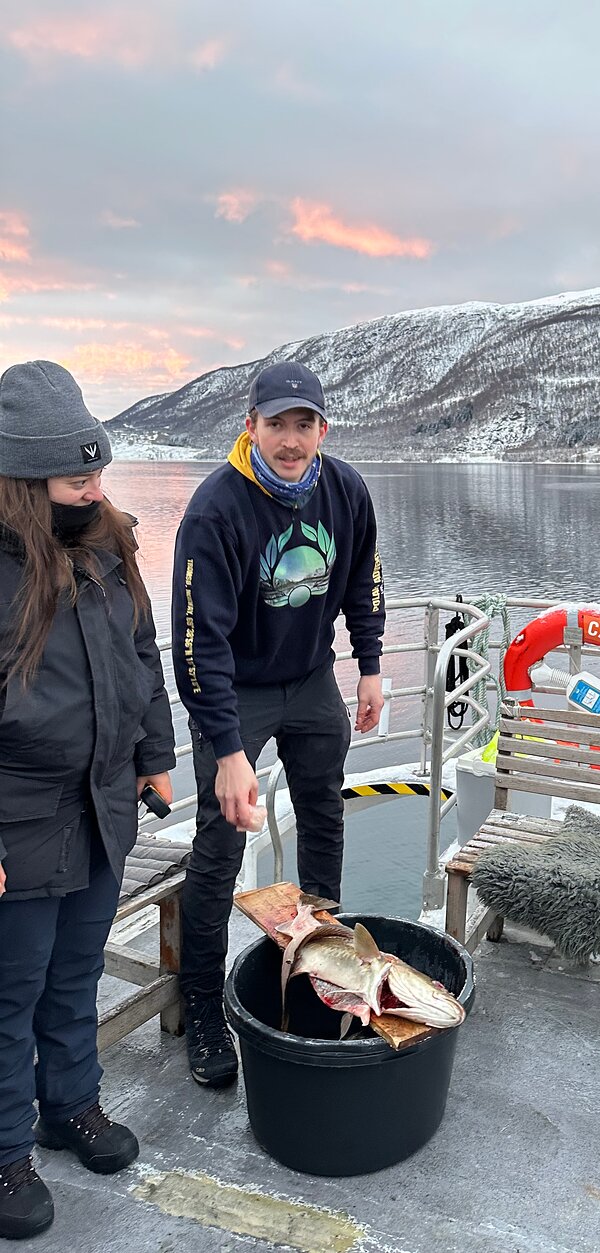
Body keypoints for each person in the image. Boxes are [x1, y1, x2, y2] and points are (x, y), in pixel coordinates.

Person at [171, 360, 385, 1088]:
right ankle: (202, 1002)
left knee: (324, 814)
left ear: (323, 429)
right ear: (251, 426)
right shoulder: (216, 509)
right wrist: (228, 748)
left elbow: (363, 579)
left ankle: (327, 969)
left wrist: (371, 664)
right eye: (276, 425)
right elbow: (198, 642)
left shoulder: (345, 489)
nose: (290, 440)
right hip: (238, 689)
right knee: (221, 839)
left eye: (304, 424)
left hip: (312, 679)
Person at [0, 361, 175, 1241]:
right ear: (26, 482)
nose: (95, 491)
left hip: (103, 805)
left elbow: (143, 655)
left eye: (99, 472)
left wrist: (155, 755)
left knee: (74, 973)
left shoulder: (111, 547)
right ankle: (4, 1153)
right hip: (19, 817)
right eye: (77, 480)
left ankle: (70, 1106)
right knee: (10, 994)